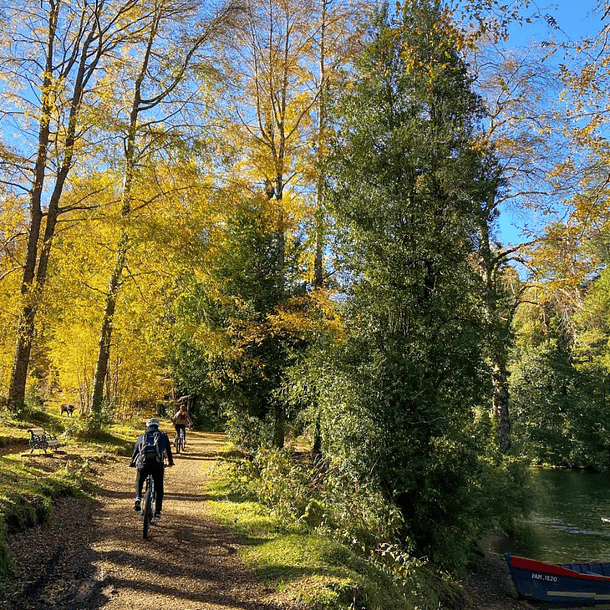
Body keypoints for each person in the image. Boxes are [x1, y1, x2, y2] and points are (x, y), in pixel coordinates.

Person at [129, 418, 173, 521]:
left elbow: (136, 452)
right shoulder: (162, 436)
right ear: (158, 426)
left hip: (143, 464)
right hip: (157, 465)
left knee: (139, 480)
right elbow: (168, 451)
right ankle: (157, 512)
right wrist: (170, 462)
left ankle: (138, 498)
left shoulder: (141, 437)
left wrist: (132, 463)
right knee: (159, 487)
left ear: (147, 426)